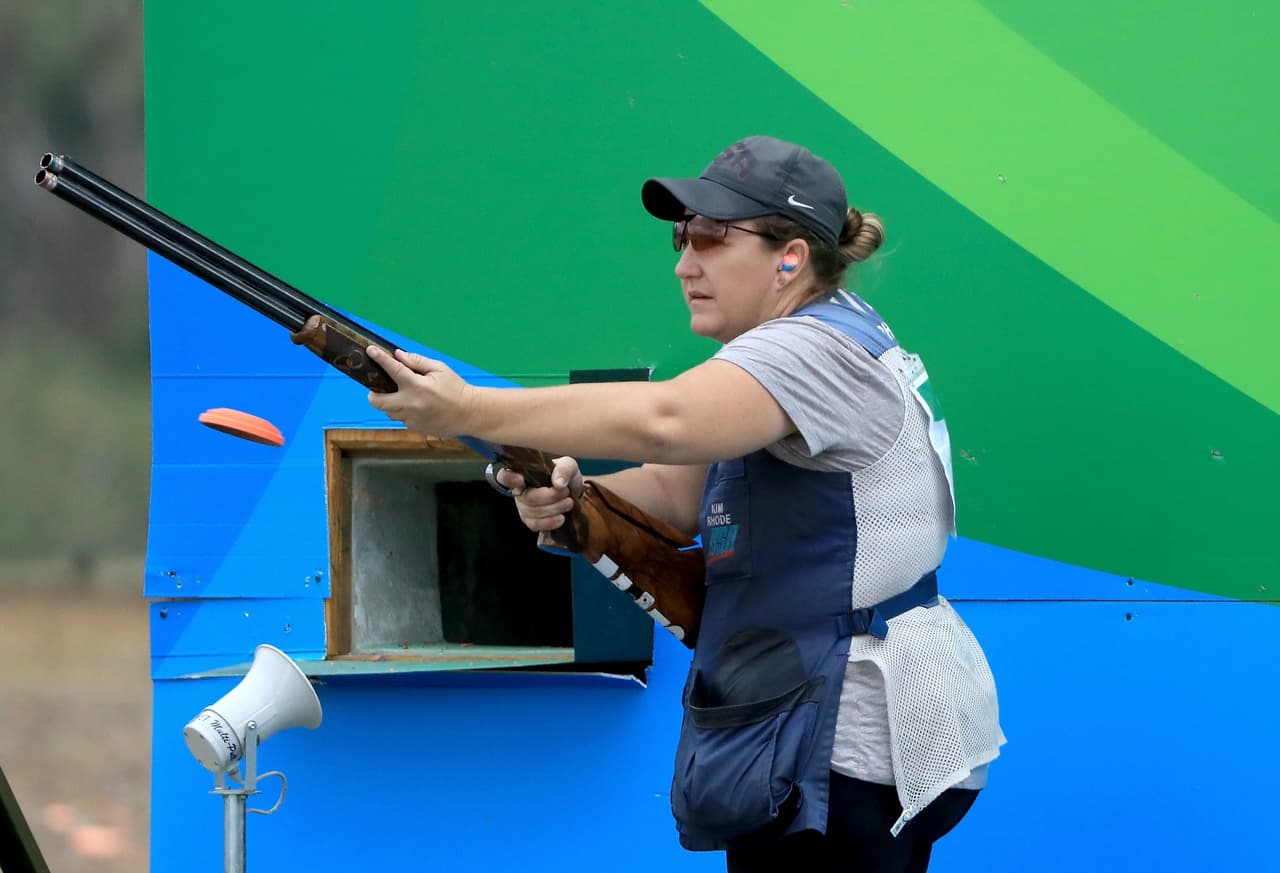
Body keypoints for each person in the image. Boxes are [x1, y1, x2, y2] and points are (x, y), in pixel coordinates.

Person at [367, 135, 1005, 872]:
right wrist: (576, 498)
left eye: (709, 236)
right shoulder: (806, 341)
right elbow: (680, 491)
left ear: (789, 257)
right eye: (681, 236)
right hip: (823, 727)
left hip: (841, 742)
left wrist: (469, 408)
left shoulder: (813, 351)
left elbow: (665, 419)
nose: (683, 262)